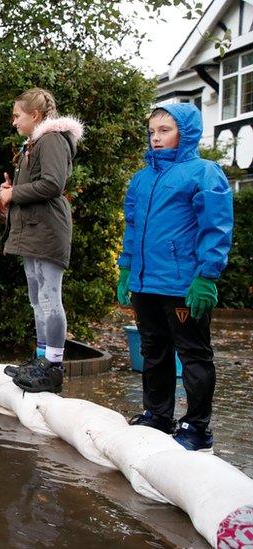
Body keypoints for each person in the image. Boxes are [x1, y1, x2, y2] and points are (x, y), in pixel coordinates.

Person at [117, 103, 233, 452]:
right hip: (145, 283)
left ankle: (197, 429)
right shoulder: (142, 178)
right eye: (152, 131)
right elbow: (133, 225)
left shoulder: (204, 173)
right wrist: (126, 268)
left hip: (183, 284)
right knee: (154, 350)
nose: (156, 138)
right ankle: (157, 415)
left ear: (185, 132)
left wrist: (207, 276)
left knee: (194, 354)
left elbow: (216, 228)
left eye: (164, 130)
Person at [0, 88, 84, 393]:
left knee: (50, 299)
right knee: (37, 299)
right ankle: (41, 359)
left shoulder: (50, 139)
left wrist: (14, 194)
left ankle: (54, 367)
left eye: (17, 115)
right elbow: (36, 184)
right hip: (34, 230)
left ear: (34, 115)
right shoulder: (32, 144)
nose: (14, 122)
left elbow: (52, 183)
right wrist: (11, 190)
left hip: (48, 231)